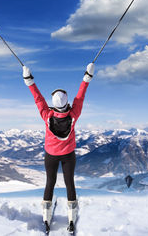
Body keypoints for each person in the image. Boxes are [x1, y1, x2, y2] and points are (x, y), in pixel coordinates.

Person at [22, 63, 94, 231]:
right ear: (66, 102)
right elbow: (80, 97)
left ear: (53, 104)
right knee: (70, 183)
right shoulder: (73, 115)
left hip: (51, 155)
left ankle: (46, 216)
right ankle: (71, 216)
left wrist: (29, 80)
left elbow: (38, 99)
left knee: (50, 182)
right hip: (68, 154)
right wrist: (86, 78)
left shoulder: (47, 116)